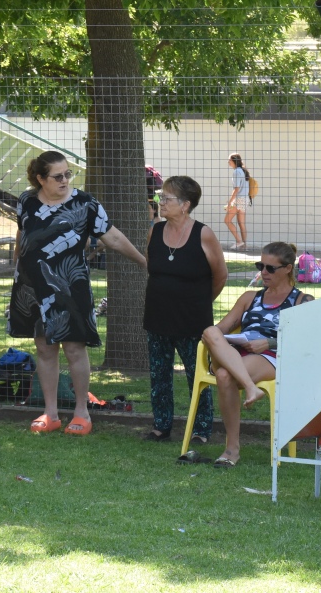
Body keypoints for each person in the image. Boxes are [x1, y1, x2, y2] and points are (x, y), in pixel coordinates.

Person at [7, 150, 146, 436]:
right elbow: (23, 234)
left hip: (70, 286)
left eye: (68, 174)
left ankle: (82, 412)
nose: (65, 180)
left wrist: (144, 262)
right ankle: (51, 413)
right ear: (40, 178)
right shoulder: (26, 201)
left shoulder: (85, 203)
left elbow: (113, 237)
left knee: (74, 348)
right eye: (58, 176)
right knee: (44, 348)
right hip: (33, 286)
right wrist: (18, 268)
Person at [201, 241, 313, 467]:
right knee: (210, 330)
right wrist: (225, 339)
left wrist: (269, 342)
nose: (263, 272)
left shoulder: (302, 301)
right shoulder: (250, 297)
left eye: (270, 268)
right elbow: (220, 330)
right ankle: (251, 388)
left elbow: (307, 341)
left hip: (270, 355)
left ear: (288, 269)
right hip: (236, 351)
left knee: (224, 376)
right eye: (260, 265)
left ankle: (232, 449)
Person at [143, 176, 227, 444]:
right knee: (159, 375)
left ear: (185, 205)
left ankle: (201, 429)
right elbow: (151, 266)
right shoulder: (155, 230)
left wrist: (200, 302)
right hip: (157, 317)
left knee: (198, 375)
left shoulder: (204, 234)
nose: (160, 202)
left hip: (193, 321)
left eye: (166, 198)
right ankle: (161, 426)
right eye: (160, 197)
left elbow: (220, 275)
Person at [224, 153, 250, 250]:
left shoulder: (236, 172)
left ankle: (239, 241)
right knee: (241, 223)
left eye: (229, 160)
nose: (228, 162)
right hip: (245, 199)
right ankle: (244, 245)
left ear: (233, 161)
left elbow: (236, 189)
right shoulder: (244, 171)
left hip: (239, 199)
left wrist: (230, 202)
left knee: (227, 220)